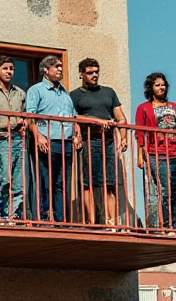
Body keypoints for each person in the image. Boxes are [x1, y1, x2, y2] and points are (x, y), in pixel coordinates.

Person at [69, 58, 127, 226]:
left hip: (108, 142)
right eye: (90, 73)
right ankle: (92, 221)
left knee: (110, 184)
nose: (94, 75)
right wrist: (95, 121)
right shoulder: (75, 95)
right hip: (89, 142)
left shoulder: (109, 92)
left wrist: (123, 137)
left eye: (96, 72)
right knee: (88, 184)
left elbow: (121, 117)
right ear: (81, 74)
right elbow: (70, 116)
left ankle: (111, 222)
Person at [25, 55, 81, 223]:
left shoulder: (64, 92)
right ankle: (43, 218)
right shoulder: (37, 90)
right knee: (44, 182)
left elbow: (73, 117)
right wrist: (38, 136)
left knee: (62, 183)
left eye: (60, 67)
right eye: (56, 67)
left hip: (66, 142)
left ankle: (61, 219)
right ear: (46, 70)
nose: (59, 70)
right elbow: (30, 117)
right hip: (47, 142)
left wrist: (77, 134)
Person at [135, 72, 176, 232]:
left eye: (163, 85)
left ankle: (175, 226)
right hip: (157, 154)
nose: (161, 87)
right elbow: (139, 133)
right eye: (157, 85)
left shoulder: (174, 106)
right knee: (165, 190)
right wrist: (140, 154)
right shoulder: (144, 108)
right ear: (150, 88)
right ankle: (168, 226)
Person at [0, 56, 29, 220]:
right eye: (5, 68)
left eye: (11, 69)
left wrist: (24, 122)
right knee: (4, 179)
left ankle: (14, 215)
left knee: (18, 181)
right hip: (0, 138)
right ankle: (3, 214)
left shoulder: (20, 92)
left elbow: (24, 113)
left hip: (17, 137)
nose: (9, 72)